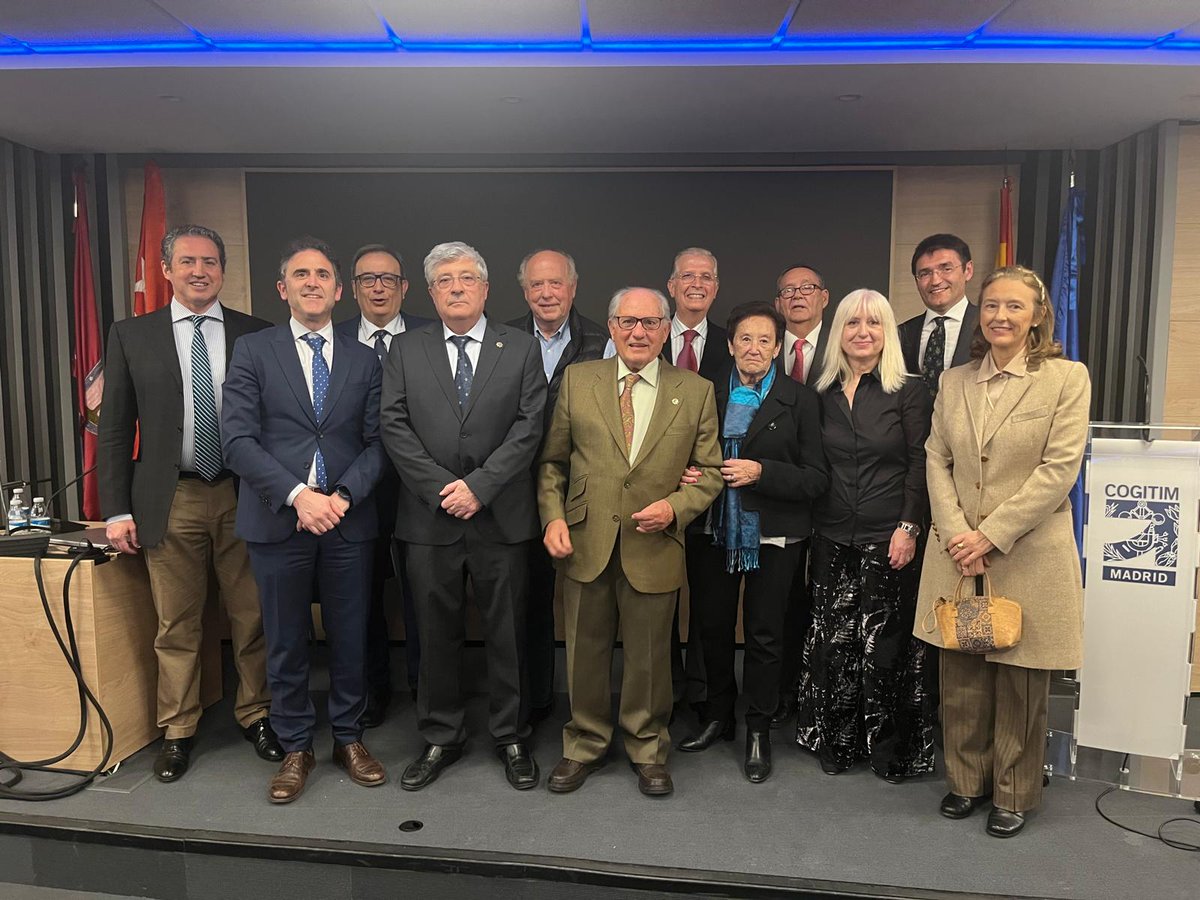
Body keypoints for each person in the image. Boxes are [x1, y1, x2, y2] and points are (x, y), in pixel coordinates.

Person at [98, 223, 281, 783]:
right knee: (175, 622)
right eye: (188, 262)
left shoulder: (257, 333)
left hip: (243, 493)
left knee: (252, 616)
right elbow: (113, 428)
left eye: (210, 262)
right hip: (168, 496)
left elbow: (275, 423)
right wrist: (115, 509)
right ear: (166, 270)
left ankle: (257, 714)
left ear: (223, 271)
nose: (199, 271)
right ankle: (177, 727)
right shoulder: (133, 334)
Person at [914, 265, 1090, 838]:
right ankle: (965, 783)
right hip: (957, 550)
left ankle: (1014, 792)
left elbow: (1059, 469)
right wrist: (957, 532)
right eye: (991, 305)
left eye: (1014, 306)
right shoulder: (955, 381)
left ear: (1038, 314)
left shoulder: (1066, 379)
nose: (1000, 316)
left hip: (1027, 550)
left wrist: (990, 535)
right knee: (961, 670)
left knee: (1020, 677)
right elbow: (936, 457)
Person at [222, 236, 389, 804]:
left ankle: (349, 737)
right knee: (286, 639)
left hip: (347, 518)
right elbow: (237, 441)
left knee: (350, 636)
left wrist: (339, 496)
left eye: (323, 274)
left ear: (339, 290)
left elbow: (378, 443)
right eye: (301, 274)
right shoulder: (253, 352)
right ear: (282, 288)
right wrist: (298, 495)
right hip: (278, 519)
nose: (312, 282)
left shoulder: (366, 359)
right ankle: (296, 745)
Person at [538, 287, 723, 797]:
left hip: (655, 542)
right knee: (584, 652)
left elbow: (709, 473)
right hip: (584, 541)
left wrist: (675, 509)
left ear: (666, 329)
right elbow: (553, 461)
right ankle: (584, 744)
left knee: (648, 659)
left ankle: (647, 748)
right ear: (612, 326)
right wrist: (552, 518)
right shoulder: (579, 381)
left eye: (649, 323)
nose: (637, 332)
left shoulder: (696, 389)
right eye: (627, 322)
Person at [380, 241, 547, 792]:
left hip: (501, 516)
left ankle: (511, 735)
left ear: (485, 288)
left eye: (467, 278)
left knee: (509, 632)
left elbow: (530, 426)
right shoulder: (405, 350)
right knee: (433, 634)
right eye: (445, 280)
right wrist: (440, 489)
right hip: (429, 519)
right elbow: (394, 426)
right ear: (429, 292)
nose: (456, 287)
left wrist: (479, 487)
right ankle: (439, 735)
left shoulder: (520, 348)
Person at [678, 302, 827, 783]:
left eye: (765, 340)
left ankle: (758, 728)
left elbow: (815, 478)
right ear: (729, 345)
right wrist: (684, 473)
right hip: (712, 528)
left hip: (775, 533)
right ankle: (718, 717)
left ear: (778, 347)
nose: (754, 349)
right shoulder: (705, 393)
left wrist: (762, 472)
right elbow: (683, 453)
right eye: (745, 339)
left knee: (765, 635)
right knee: (713, 629)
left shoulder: (800, 399)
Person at [796, 289, 936, 783]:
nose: (862, 332)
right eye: (853, 323)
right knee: (835, 645)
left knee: (887, 649)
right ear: (839, 332)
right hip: (830, 534)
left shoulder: (910, 391)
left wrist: (908, 525)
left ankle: (892, 750)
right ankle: (838, 741)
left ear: (887, 333)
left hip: (889, 535)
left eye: (874, 324)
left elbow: (922, 462)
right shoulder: (820, 392)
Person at [507, 249, 608, 725]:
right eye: (536, 285)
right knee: (523, 598)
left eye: (556, 284)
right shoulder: (501, 340)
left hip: (584, 489)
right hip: (512, 489)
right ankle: (532, 701)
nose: (546, 294)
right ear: (524, 291)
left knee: (589, 602)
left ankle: (591, 709)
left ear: (573, 287)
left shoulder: (606, 340)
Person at [334, 243, 432, 728]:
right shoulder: (330, 339)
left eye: (388, 279)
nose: (378, 287)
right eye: (367, 278)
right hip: (356, 488)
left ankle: (424, 687)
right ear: (351, 289)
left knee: (423, 592)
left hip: (423, 487)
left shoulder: (432, 335)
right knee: (363, 594)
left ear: (404, 287)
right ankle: (371, 691)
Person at [771, 263, 833, 728]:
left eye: (806, 288)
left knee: (826, 601)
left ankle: (823, 694)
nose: (797, 296)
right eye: (788, 290)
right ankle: (785, 691)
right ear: (777, 303)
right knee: (786, 600)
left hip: (835, 493)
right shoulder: (762, 349)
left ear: (824, 297)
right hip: (780, 497)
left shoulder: (846, 345)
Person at [899, 233, 980, 398]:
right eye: (925, 273)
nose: (935, 280)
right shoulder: (901, 334)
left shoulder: (988, 326)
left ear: (968, 270)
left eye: (946, 269)